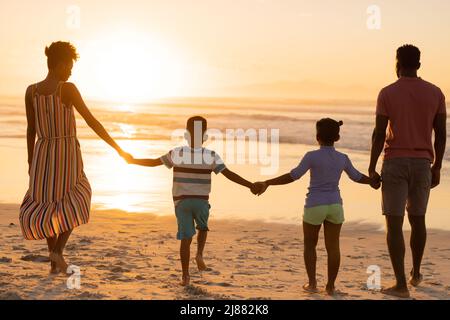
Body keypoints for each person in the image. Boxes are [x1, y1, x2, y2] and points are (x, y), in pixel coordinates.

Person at [20, 41, 131, 274]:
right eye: (69, 66)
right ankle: (58, 251)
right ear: (59, 64)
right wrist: (118, 148)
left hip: (42, 154)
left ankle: (54, 264)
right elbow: (91, 121)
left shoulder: (31, 91)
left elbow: (31, 130)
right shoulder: (67, 88)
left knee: (48, 207)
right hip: (66, 154)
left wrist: (31, 161)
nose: (71, 71)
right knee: (79, 196)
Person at [253, 118, 380, 295]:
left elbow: (293, 176)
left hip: (314, 205)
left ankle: (312, 284)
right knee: (333, 247)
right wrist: (373, 182)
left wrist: (268, 182)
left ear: (317, 136)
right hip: (335, 205)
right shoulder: (343, 158)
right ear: (337, 137)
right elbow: (357, 177)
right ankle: (330, 286)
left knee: (310, 245)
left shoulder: (311, 156)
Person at [126, 116, 256, 286]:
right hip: (201, 202)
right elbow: (229, 174)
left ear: (187, 134)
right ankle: (200, 254)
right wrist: (250, 185)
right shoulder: (211, 155)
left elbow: (153, 163)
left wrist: (132, 160)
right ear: (205, 136)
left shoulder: (177, 153)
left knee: (185, 239)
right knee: (202, 228)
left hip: (182, 203)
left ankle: (185, 277)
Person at [369, 44, 447, 298]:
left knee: (394, 224)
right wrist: (437, 166)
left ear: (397, 63)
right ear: (419, 64)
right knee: (418, 220)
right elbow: (442, 134)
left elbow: (380, 133)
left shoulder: (387, 93)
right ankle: (415, 272)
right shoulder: (436, 93)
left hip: (395, 163)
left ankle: (401, 284)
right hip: (423, 164)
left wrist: (371, 167)